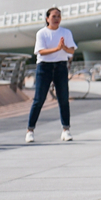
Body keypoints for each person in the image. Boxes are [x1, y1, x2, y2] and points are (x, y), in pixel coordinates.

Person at [26, 8, 77, 143]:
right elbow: (41, 51)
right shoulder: (42, 33)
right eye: (54, 16)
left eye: (59, 16)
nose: (56, 19)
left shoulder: (66, 32)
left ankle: (66, 129)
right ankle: (30, 130)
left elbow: (71, 50)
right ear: (47, 18)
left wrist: (64, 48)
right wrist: (57, 49)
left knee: (63, 99)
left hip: (61, 66)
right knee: (39, 99)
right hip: (44, 67)